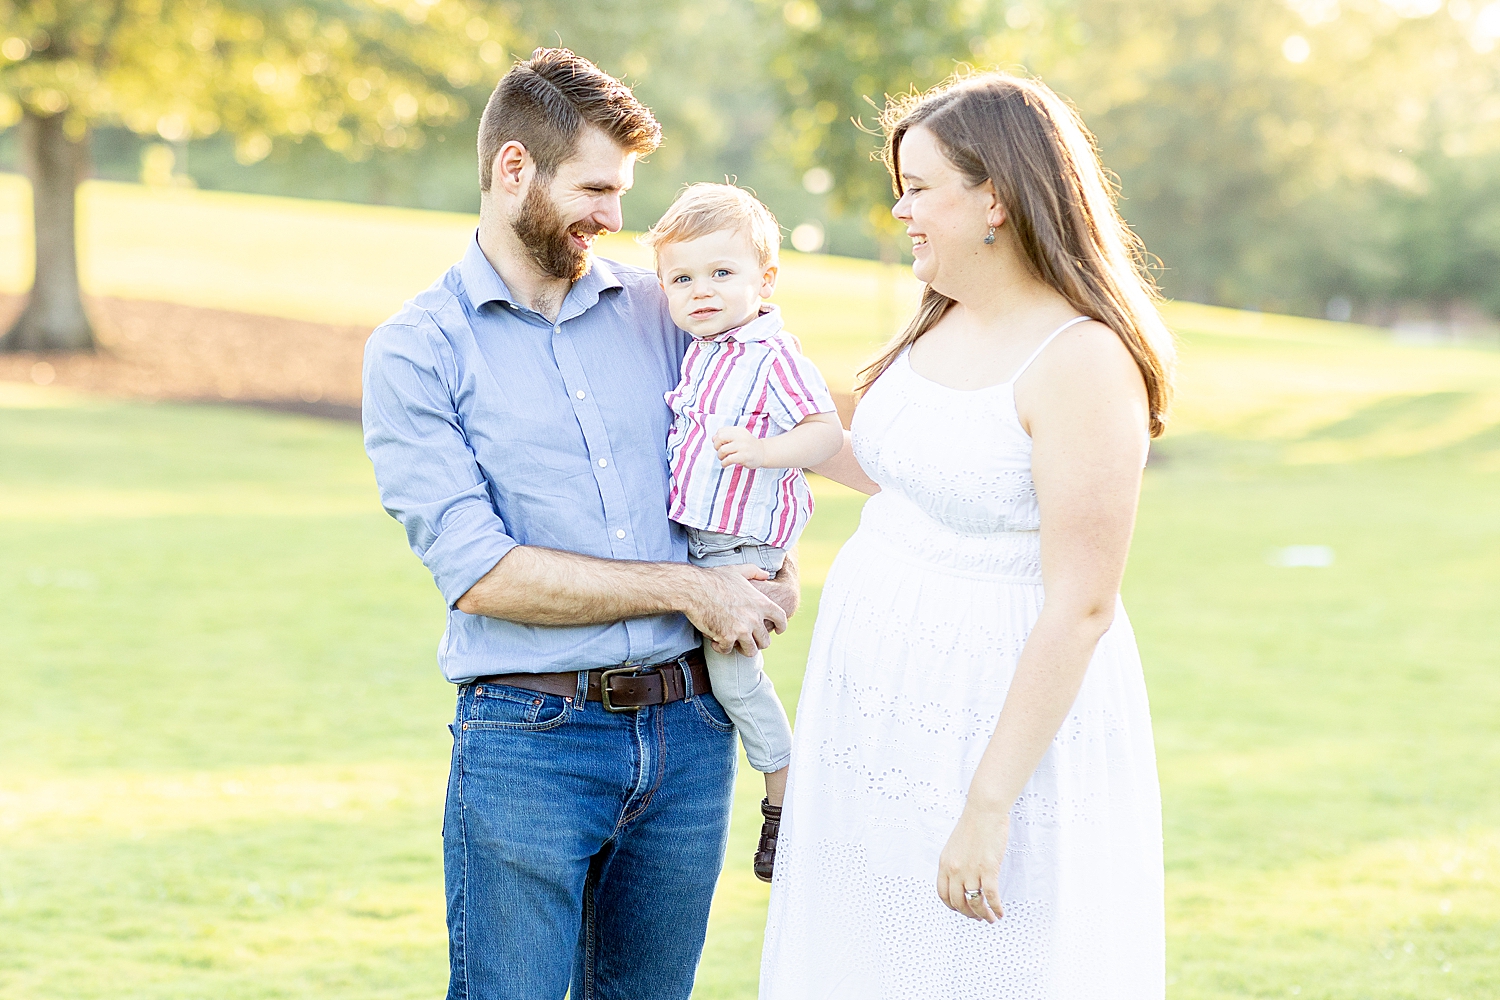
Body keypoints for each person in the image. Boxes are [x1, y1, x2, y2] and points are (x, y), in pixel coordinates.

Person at [361, 48, 797, 1000]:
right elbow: (480, 573)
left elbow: (751, 437)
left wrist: (770, 568)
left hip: (691, 735)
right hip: (530, 740)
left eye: (622, 190)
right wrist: (692, 589)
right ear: (514, 169)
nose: (614, 216)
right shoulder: (417, 351)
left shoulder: (667, 309)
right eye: (595, 187)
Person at [759, 72, 1175, 998]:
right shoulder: (937, 314)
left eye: (918, 186)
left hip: (992, 720)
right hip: (873, 704)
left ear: (993, 195)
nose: (900, 208)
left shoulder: (1081, 359)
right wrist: (756, 441)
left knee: (981, 965)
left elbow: (1083, 603)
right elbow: (908, 472)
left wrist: (989, 808)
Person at [640, 183, 844, 881]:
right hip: (696, 541)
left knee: (732, 676)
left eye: (722, 273)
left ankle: (786, 797)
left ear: (766, 280)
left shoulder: (771, 355)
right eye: (682, 278)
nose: (702, 291)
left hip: (737, 546)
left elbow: (823, 432)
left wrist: (765, 452)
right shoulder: (703, 348)